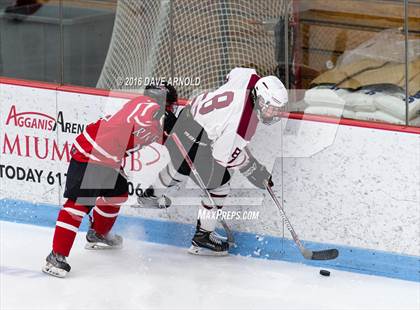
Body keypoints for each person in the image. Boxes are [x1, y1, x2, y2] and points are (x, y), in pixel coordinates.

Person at [138, 68, 288, 256]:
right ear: (259, 98)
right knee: (219, 184)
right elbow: (222, 157)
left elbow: (233, 73)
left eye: (277, 109)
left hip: (187, 117)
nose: (273, 113)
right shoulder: (242, 125)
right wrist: (252, 169)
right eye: (271, 107)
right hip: (196, 138)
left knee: (182, 166)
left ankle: (150, 194)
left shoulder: (250, 78)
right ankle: (203, 237)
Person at [42, 84, 177, 278]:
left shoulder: (157, 125)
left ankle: (97, 233)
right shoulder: (143, 105)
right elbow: (140, 115)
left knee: (117, 193)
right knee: (78, 205)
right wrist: (158, 113)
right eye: (170, 105)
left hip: (109, 159)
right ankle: (56, 256)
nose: (171, 110)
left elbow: (171, 142)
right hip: (91, 153)